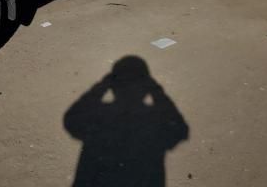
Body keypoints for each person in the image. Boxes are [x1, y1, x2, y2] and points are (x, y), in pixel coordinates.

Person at [64, 56, 189, 187]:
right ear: (145, 88)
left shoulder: (100, 115)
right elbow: (180, 129)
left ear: (114, 86)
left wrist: (102, 85)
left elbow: (71, 118)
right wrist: (156, 90)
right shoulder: (154, 118)